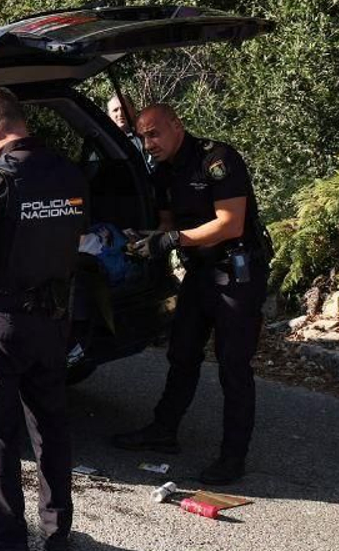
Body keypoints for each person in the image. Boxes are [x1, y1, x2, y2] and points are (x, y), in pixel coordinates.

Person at [0, 87, 89, 551]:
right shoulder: (67, 171)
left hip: (4, 323)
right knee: (51, 424)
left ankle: (5, 537)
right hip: (53, 320)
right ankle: (57, 530)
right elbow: (77, 236)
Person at [112, 104, 267, 485]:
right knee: (182, 352)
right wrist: (149, 239)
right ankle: (163, 431)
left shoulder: (217, 159)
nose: (149, 143)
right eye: (143, 136)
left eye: (154, 134)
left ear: (177, 126)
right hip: (200, 271)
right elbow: (166, 223)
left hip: (236, 271)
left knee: (234, 365)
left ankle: (233, 457)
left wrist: (172, 239)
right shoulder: (163, 171)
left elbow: (230, 225)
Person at [107, 92, 146, 161]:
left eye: (124, 108)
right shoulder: (105, 141)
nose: (120, 113)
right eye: (115, 110)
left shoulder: (147, 135)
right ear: (109, 115)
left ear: (133, 110)